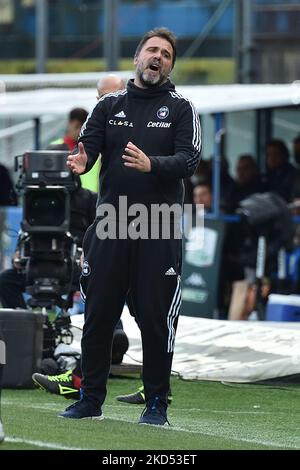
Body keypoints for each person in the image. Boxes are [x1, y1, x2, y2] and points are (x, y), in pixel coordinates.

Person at [59, 27, 201, 425]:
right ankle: (90, 399)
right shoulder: (109, 105)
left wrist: (152, 164)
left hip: (158, 227)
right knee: (99, 314)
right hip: (110, 224)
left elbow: (189, 161)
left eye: (166, 54)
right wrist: (81, 162)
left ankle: (156, 402)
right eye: (152, 50)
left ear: (170, 64)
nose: (158, 57)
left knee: (156, 318)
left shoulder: (181, 108)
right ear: (137, 58)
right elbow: (88, 147)